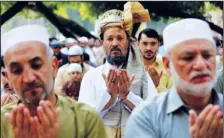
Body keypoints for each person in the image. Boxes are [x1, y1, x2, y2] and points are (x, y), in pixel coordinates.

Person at [1, 25, 107, 138]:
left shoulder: (86, 119)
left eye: (36, 66)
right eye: (17, 70)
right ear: (8, 77)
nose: (29, 78)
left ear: (54, 66)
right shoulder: (3, 121)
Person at [124, 18, 223, 138]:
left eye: (207, 55)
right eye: (188, 57)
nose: (201, 65)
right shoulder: (146, 118)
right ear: (167, 64)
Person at [78, 2, 158, 138]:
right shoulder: (91, 76)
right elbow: (84, 121)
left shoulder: (142, 76)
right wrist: (109, 95)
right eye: (109, 38)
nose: (115, 43)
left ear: (128, 41)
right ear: (102, 42)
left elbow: (154, 115)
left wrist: (126, 96)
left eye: (120, 38)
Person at [138, 28, 172, 93]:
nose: (149, 48)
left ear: (158, 44)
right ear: (137, 44)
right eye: (145, 43)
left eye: (153, 43)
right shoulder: (128, 66)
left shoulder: (167, 67)